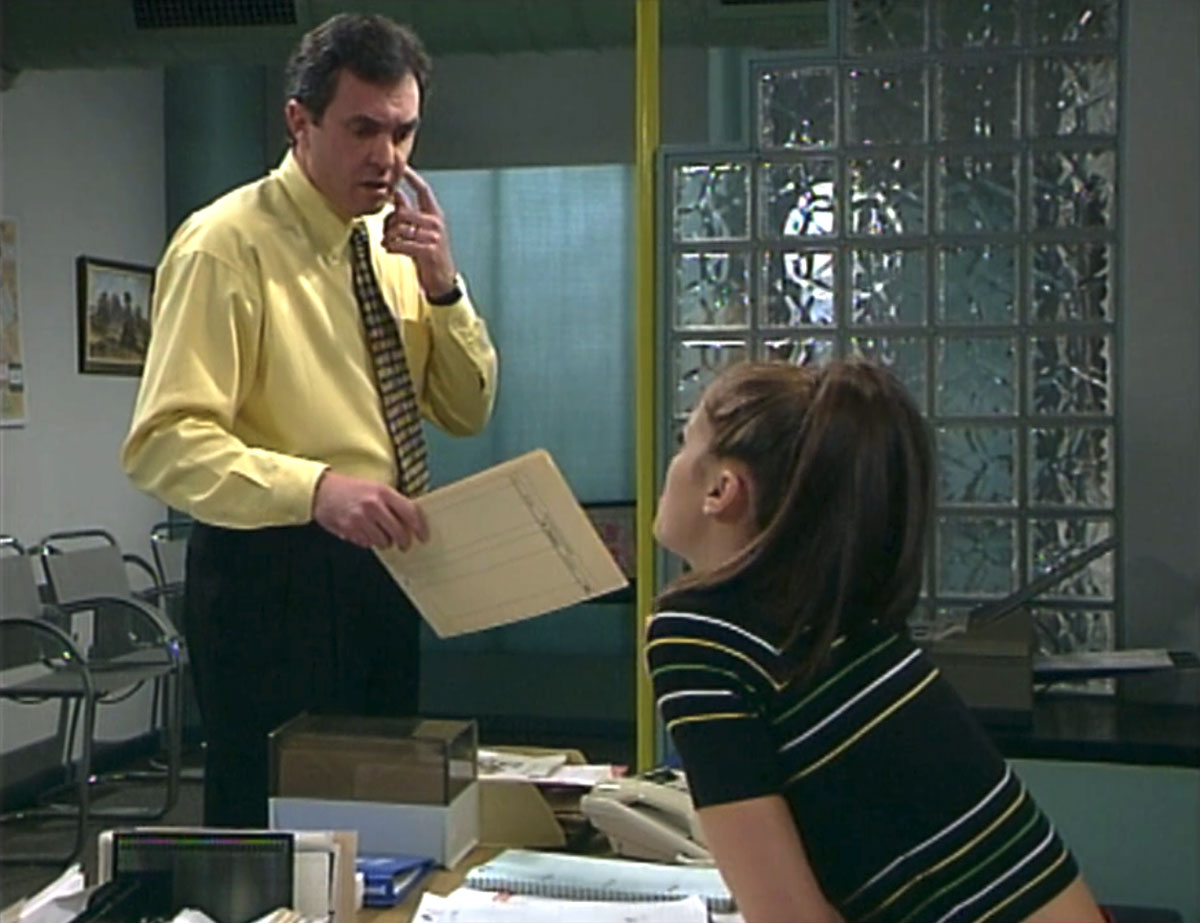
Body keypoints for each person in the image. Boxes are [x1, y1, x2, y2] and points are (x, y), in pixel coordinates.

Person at [122, 13, 498, 827]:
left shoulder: (390, 246)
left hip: (381, 565)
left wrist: (444, 288)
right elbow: (163, 443)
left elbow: (466, 410)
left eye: (403, 132)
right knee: (274, 823)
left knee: (381, 812)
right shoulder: (226, 245)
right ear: (300, 121)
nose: (388, 157)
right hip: (273, 566)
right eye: (363, 129)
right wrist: (317, 489)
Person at [647, 359, 1104, 923]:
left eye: (684, 442)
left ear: (721, 489)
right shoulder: (835, 616)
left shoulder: (700, 634)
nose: (672, 463)